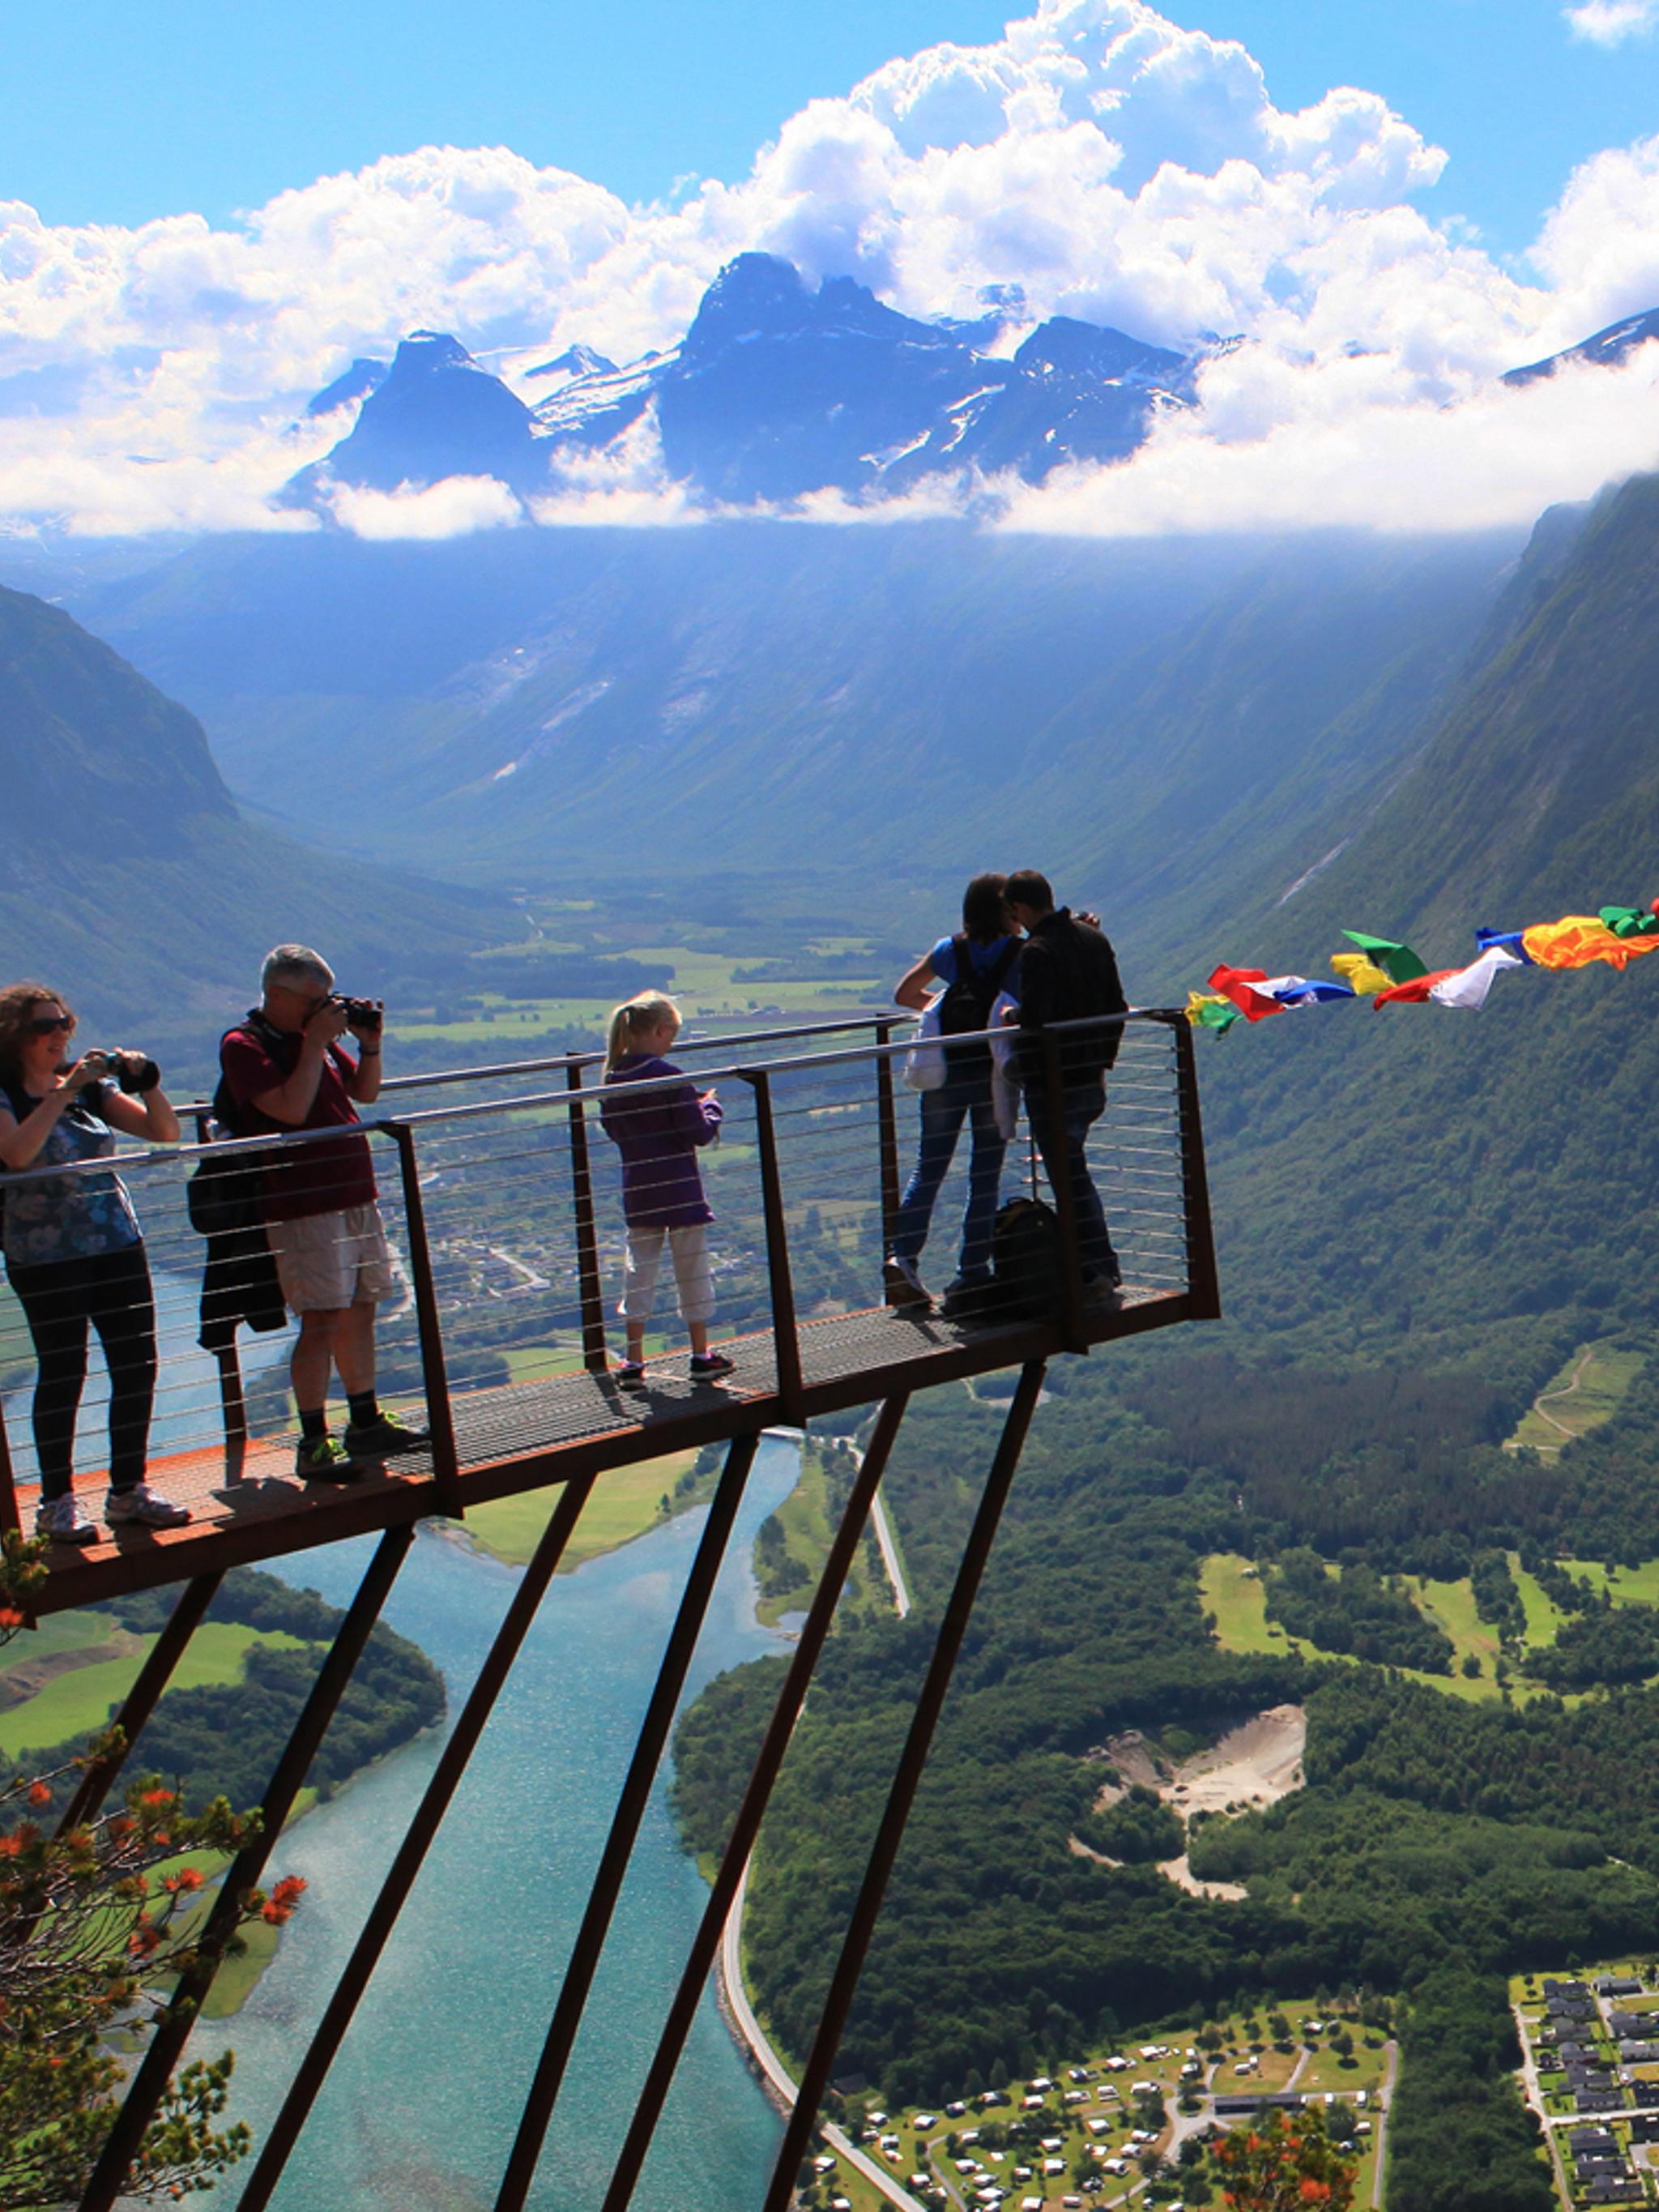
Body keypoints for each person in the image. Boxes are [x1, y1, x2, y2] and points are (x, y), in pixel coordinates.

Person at [219, 946, 427, 1481]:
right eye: (314, 1000)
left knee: (361, 1306)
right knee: (321, 1318)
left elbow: (366, 1093)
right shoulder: (246, 1045)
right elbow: (287, 1110)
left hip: (353, 1193)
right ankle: (313, 1441)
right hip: (302, 1204)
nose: (324, 1009)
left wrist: (370, 1046)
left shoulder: (317, 1041)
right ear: (277, 995)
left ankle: (364, 1420)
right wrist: (314, 1044)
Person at [0, 982, 189, 1542]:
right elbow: (16, 1153)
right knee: (64, 1371)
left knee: (137, 1363)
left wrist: (147, 1082)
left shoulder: (91, 1089)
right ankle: (56, 1503)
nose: (58, 1035)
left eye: (63, 1024)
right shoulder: (6, 1094)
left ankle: (129, 1491)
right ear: (16, 1037)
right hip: (44, 1256)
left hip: (116, 1241)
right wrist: (65, 1090)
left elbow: (164, 1130)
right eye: (44, 1027)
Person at [885, 873, 1024, 1316]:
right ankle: (971, 1270)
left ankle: (902, 1257)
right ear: (1007, 910)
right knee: (984, 1174)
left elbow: (905, 993)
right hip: (992, 1076)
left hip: (943, 1072)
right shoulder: (1019, 955)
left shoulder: (949, 950)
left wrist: (940, 1008)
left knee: (928, 1169)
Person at [1004, 869, 1128, 1305]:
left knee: (1070, 1178)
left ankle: (1099, 1269)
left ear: (1019, 908)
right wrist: (1102, 1064)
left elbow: (1036, 1021)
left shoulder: (1038, 951)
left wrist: (1013, 1024)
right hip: (1091, 1075)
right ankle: (1094, 1267)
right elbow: (1116, 1006)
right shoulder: (1094, 940)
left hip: (1055, 1084)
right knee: (1074, 1173)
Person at [598, 992, 733, 1386]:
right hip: (680, 1191)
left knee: (639, 1271)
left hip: (639, 1191)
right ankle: (700, 1353)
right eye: (671, 1036)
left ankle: (634, 1361)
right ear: (660, 1031)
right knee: (692, 1269)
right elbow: (699, 1133)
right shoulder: (672, 1078)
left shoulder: (613, 1080)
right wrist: (710, 1108)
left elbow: (614, 1130)